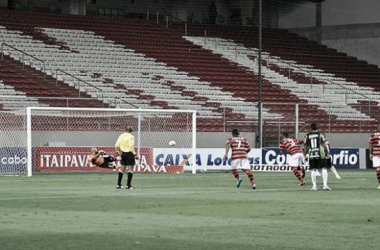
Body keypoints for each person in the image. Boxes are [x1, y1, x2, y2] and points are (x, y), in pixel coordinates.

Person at [303, 123, 331, 191]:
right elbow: (324, 144)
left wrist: (304, 155)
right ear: (317, 128)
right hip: (321, 153)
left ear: (311, 128)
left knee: (313, 169)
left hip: (312, 154)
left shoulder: (306, 136)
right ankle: (325, 185)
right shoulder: (320, 134)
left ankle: (314, 186)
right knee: (324, 168)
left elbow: (305, 146)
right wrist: (327, 153)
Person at [369, 124, 380, 189]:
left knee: (378, 170)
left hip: (376, 153)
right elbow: (370, 144)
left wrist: (370, 154)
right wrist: (370, 154)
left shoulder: (373, 134)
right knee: (378, 170)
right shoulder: (372, 134)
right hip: (376, 154)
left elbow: (370, 144)